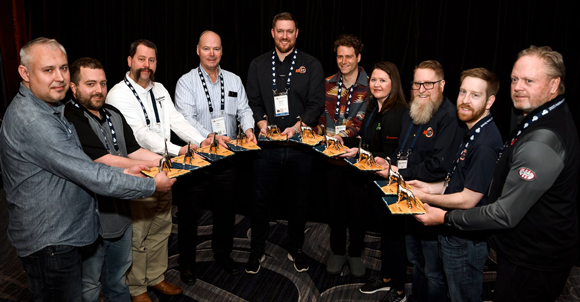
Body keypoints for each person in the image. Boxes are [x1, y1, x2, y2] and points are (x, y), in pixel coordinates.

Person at [0, 37, 173, 301]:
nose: (58, 77)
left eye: (63, 67)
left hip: (67, 230)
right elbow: (90, 171)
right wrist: (150, 184)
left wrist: (136, 169)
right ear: (25, 73)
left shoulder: (51, 108)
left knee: (111, 279)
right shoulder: (35, 121)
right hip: (50, 241)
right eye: (48, 70)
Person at [416, 46, 579, 302]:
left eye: (529, 80)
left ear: (554, 84)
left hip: (533, 259)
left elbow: (504, 214)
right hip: (523, 251)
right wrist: (426, 189)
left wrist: (445, 219)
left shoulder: (542, 140)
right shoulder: (536, 115)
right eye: (515, 79)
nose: (518, 87)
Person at [106, 39, 208, 301]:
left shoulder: (160, 88)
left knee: (162, 225)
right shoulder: (118, 94)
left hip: (166, 168)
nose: (146, 65)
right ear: (130, 61)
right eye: (141, 59)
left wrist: (200, 142)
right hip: (139, 167)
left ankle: (155, 276)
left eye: (151, 60)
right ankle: (137, 287)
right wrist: (179, 150)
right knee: (140, 229)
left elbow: (176, 120)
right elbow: (139, 134)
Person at [64, 57, 167, 301]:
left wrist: (164, 162)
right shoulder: (69, 116)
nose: (98, 90)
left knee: (119, 278)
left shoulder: (113, 113)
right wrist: (148, 167)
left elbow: (132, 150)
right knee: (90, 284)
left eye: (102, 83)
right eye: (90, 84)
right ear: (74, 87)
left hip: (120, 210)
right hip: (90, 216)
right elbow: (101, 159)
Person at [407, 68, 502, 302]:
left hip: (465, 238)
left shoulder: (484, 143)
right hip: (454, 231)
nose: (465, 100)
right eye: (463, 92)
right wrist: (427, 188)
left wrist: (426, 198)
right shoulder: (471, 132)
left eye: (475, 95)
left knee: (463, 297)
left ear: (490, 101)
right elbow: (457, 183)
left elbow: (469, 199)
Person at [376, 60, 463, 302]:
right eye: (417, 84)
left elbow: (439, 166)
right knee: (414, 259)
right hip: (407, 197)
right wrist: (388, 162)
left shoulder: (449, 118)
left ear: (442, 85)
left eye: (428, 83)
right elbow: (404, 153)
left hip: (433, 202)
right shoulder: (412, 111)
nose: (422, 89)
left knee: (433, 269)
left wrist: (397, 172)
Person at [245, 12, 325, 274]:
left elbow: (317, 104)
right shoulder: (257, 65)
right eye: (280, 31)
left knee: (299, 202)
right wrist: (261, 125)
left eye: (289, 31)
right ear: (272, 32)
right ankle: (256, 250)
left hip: (299, 147)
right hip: (266, 148)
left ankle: (296, 248)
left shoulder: (311, 65)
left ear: (297, 33)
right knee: (259, 201)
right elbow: (253, 102)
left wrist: (297, 127)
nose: (284, 36)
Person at [173, 30, 256, 282]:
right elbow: (185, 119)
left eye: (216, 49)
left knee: (225, 211)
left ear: (222, 51)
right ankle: (186, 262)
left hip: (227, 159)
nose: (212, 54)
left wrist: (249, 128)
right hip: (198, 158)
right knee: (189, 214)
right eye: (207, 49)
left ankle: (223, 253)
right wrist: (210, 136)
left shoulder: (233, 80)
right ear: (198, 50)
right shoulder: (186, 82)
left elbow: (244, 109)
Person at [339, 62, 408, 302]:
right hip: (375, 182)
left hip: (389, 185)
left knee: (394, 238)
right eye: (373, 80)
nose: (376, 84)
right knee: (385, 236)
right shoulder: (374, 107)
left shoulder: (396, 113)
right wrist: (356, 152)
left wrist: (368, 159)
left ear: (393, 84)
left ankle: (399, 289)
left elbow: (391, 156)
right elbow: (368, 145)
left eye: (382, 80)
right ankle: (387, 278)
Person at [314, 34, 368, 277]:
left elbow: (362, 121)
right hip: (331, 158)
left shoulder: (371, 84)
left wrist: (342, 135)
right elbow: (320, 118)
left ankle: (355, 253)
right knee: (334, 208)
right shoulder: (326, 83)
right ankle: (337, 251)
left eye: (349, 56)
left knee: (358, 209)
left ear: (358, 57)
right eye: (340, 56)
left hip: (357, 158)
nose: (344, 61)